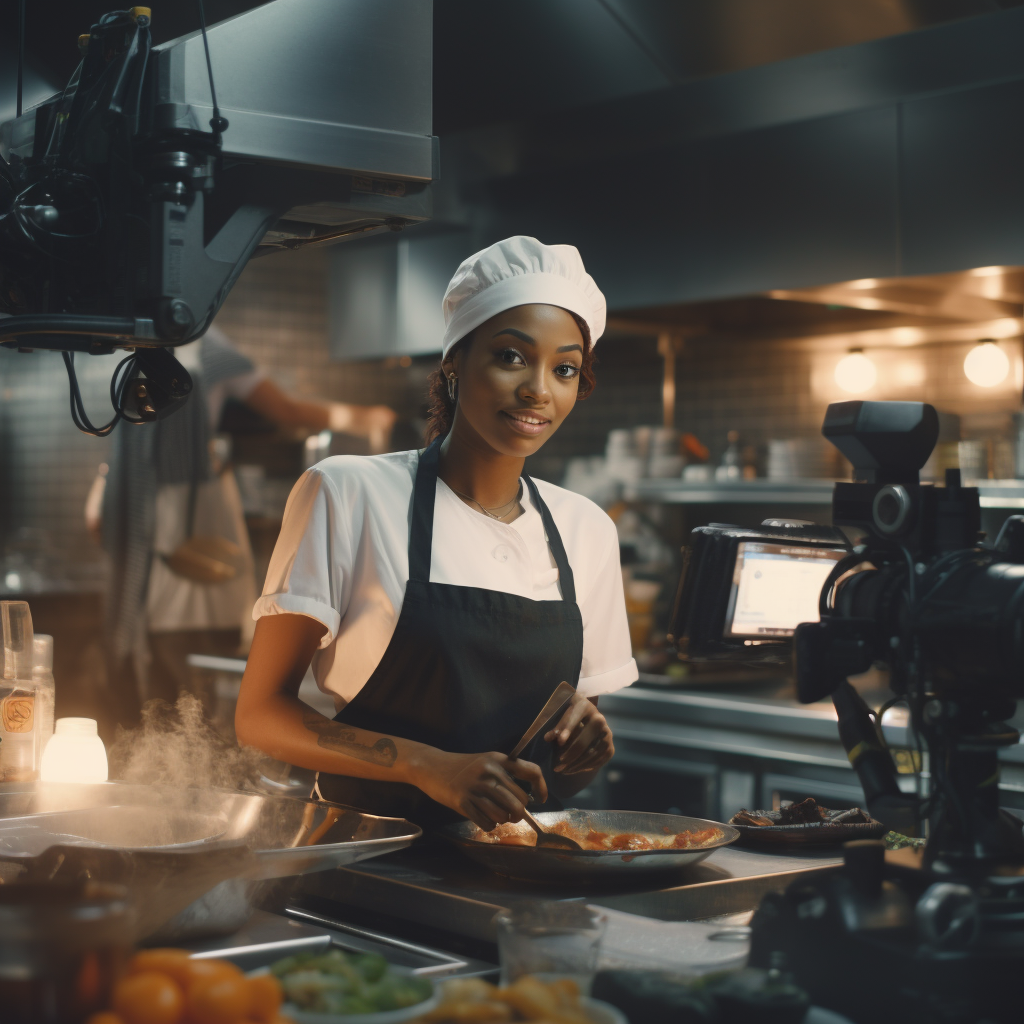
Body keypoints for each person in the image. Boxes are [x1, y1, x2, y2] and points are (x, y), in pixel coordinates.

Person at [236, 237, 638, 831]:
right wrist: (429, 767)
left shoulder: (587, 530)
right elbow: (261, 714)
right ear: (454, 363)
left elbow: (568, 733)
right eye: (510, 356)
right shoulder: (349, 492)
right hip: (366, 856)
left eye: (565, 369)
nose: (538, 390)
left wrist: (586, 739)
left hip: (523, 866)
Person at [88, 325, 396, 731]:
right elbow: (286, 411)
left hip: (145, 543)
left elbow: (97, 520)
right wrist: (366, 418)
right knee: (193, 688)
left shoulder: (126, 347)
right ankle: (191, 779)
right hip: (191, 541)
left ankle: (172, 778)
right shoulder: (207, 348)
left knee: (164, 694)